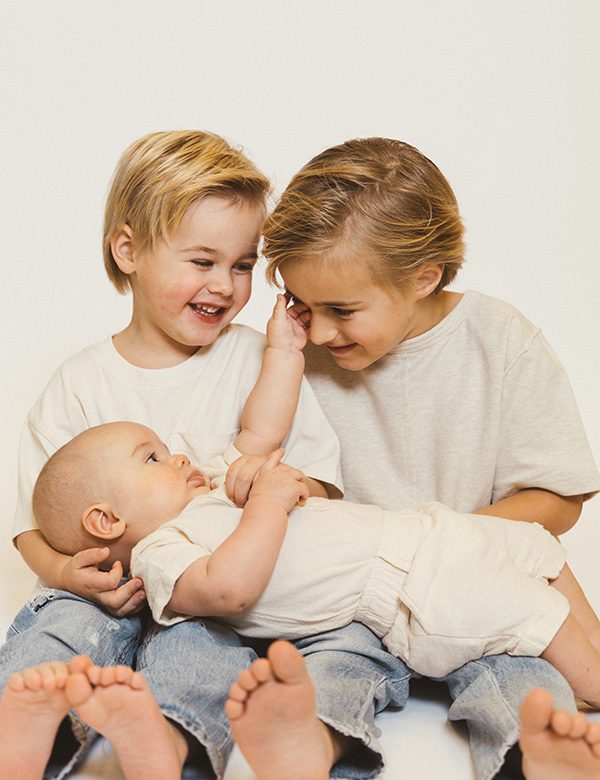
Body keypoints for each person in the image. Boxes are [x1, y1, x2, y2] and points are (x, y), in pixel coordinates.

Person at [243, 136, 600, 780]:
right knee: (327, 671)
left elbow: (558, 498)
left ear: (423, 277)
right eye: (302, 304)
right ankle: (312, 748)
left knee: (520, 675)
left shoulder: (501, 341)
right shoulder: (292, 356)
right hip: (353, 601)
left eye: (342, 310)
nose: (318, 331)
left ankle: (539, 757)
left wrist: (441, 548)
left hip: (480, 587)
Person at [1, 130, 342, 780]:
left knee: (203, 650)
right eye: (202, 261)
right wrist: (66, 572)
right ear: (128, 250)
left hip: (209, 592)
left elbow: (320, 485)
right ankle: (22, 733)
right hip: (109, 592)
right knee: (57, 626)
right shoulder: (80, 383)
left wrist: (275, 490)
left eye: (242, 265)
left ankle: (168, 741)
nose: (224, 285)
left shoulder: (263, 362)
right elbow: (29, 528)